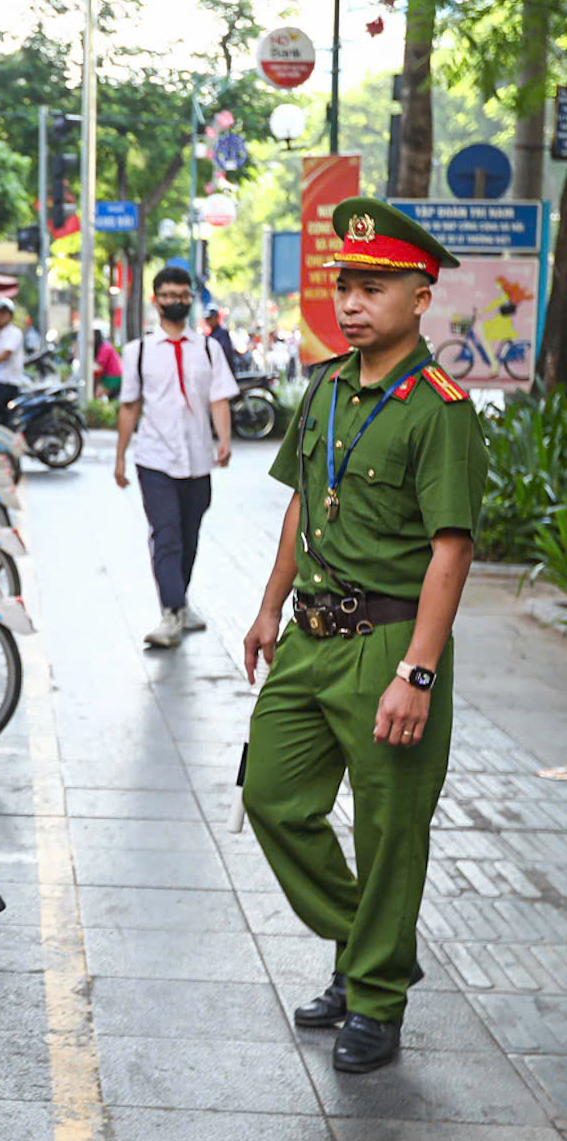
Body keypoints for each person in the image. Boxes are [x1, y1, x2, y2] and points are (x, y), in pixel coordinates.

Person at [240, 198, 486, 1074]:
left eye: (371, 287)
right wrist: (269, 605)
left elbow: (450, 546)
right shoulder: (324, 388)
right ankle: (369, 941)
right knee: (271, 796)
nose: (350, 302)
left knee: (390, 828)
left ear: (419, 297)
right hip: (309, 635)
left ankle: (374, 998)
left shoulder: (440, 408)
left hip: (390, 640)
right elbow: (302, 504)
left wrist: (416, 671)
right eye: (343, 285)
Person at [113, 266, 237, 648]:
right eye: (167, 295)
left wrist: (225, 440)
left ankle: (179, 601)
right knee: (166, 536)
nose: (175, 301)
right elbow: (129, 407)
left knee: (190, 535)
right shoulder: (138, 352)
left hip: (198, 458)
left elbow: (218, 398)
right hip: (155, 459)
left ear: (190, 300)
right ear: (156, 300)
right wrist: (119, 458)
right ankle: (170, 612)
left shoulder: (208, 348)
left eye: (182, 295)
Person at [205, 305, 238, 374]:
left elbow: (225, 354)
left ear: (216, 318)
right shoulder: (210, 336)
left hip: (224, 372)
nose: (208, 321)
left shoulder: (222, 333)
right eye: (207, 319)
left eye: (210, 318)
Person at [93, 328, 122, 401]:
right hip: (109, 377)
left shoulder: (105, 348)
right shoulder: (104, 347)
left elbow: (99, 369)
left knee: (96, 395)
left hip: (113, 378)